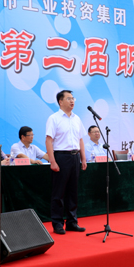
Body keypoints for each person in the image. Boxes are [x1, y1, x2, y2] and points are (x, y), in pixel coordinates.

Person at [45, 90, 87, 235]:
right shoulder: (54, 118)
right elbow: (49, 140)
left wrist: (83, 158)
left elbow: (80, 139)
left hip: (75, 157)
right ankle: (57, 223)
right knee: (59, 192)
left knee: (73, 192)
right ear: (60, 101)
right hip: (61, 156)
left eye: (73, 98)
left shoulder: (77, 119)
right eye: (68, 98)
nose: (72, 101)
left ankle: (72, 222)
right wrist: (52, 161)